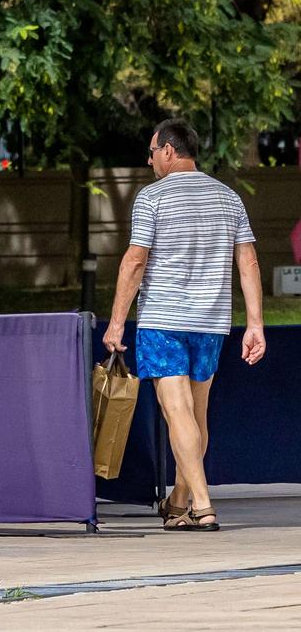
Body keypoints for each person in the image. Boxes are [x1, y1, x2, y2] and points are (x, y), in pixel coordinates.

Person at [104, 118, 267, 532]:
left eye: (152, 151)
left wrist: (116, 323)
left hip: (162, 321)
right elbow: (248, 263)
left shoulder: (152, 198)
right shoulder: (229, 198)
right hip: (211, 324)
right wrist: (255, 325)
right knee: (196, 414)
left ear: (169, 151)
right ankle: (178, 502)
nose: (149, 159)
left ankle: (203, 503)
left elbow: (135, 260)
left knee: (177, 413)